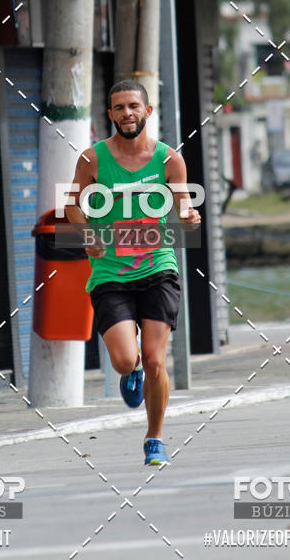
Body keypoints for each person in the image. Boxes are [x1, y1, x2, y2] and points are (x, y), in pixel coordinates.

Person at [65, 80, 201, 465]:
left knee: (158, 360)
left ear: (147, 111)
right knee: (126, 360)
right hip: (110, 273)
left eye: (133, 106)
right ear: (110, 114)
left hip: (158, 267)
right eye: (119, 107)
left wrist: (188, 217)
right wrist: (87, 233)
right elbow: (74, 206)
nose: (127, 113)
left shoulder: (169, 160)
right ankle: (133, 369)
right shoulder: (92, 160)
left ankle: (154, 437)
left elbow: (184, 206)